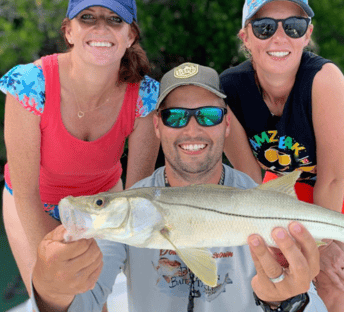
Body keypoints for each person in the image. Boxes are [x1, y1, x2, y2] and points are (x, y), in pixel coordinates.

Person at [30, 62, 328, 312]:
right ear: (157, 126)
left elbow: (311, 303)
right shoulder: (126, 216)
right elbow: (85, 304)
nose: (193, 128)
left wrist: (285, 301)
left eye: (208, 115)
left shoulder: (254, 195)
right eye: (176, 116)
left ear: (226, 125)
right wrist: (50, 290)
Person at [219, 0, 344, 312]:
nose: (280, 36)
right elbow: (253, 181)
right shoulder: (231, 90)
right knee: (276, 260)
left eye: (294, 26)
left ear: (307, 34)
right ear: (246, 37)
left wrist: (326, 244)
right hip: (293, 179)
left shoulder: (324, 79)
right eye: (265, 27)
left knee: (330, 276)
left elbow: (331, 179)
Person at [0, 0, 160, 298]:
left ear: (130, 35)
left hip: (104, 205)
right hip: (32, 204)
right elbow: (26, 192)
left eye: (114, 20)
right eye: (88, 18)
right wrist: (52, 260)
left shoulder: (144, 98)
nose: (101, 29)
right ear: (69, 31)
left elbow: (137, 196)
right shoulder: (31, 86)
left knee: (92, 300)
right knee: (56, 299)